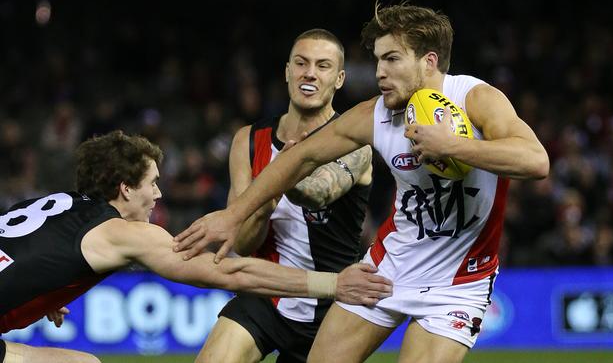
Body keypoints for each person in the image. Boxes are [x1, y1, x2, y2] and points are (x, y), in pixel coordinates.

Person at [174, 3, 550, 363]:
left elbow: (536, 160)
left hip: (458, 284)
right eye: (377, 60)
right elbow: (300, 157)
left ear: (428, 61)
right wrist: (233, 215)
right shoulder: (377, 114)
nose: (378, 73)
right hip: (388, 268)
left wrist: (452, 145)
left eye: (391, 59)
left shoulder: (474, 98)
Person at [0, 130, 391, 363]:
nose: (158, 194)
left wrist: (41, 292)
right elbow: (231, 270)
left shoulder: (57, 203)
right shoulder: (122, 233)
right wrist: (334, 285)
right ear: (124, 189)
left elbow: (23, 252)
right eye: (151, 183)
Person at [195, 29, 374, 363]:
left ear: (339, 79)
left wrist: (281, 176)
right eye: (301, 63)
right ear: (287, 71)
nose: (310, 72)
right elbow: (244, 243)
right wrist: (263, 207)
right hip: (267, 294)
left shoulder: (355, 142)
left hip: (333, 305)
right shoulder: (248, 140)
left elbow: (320, 192)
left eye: (323, 66)